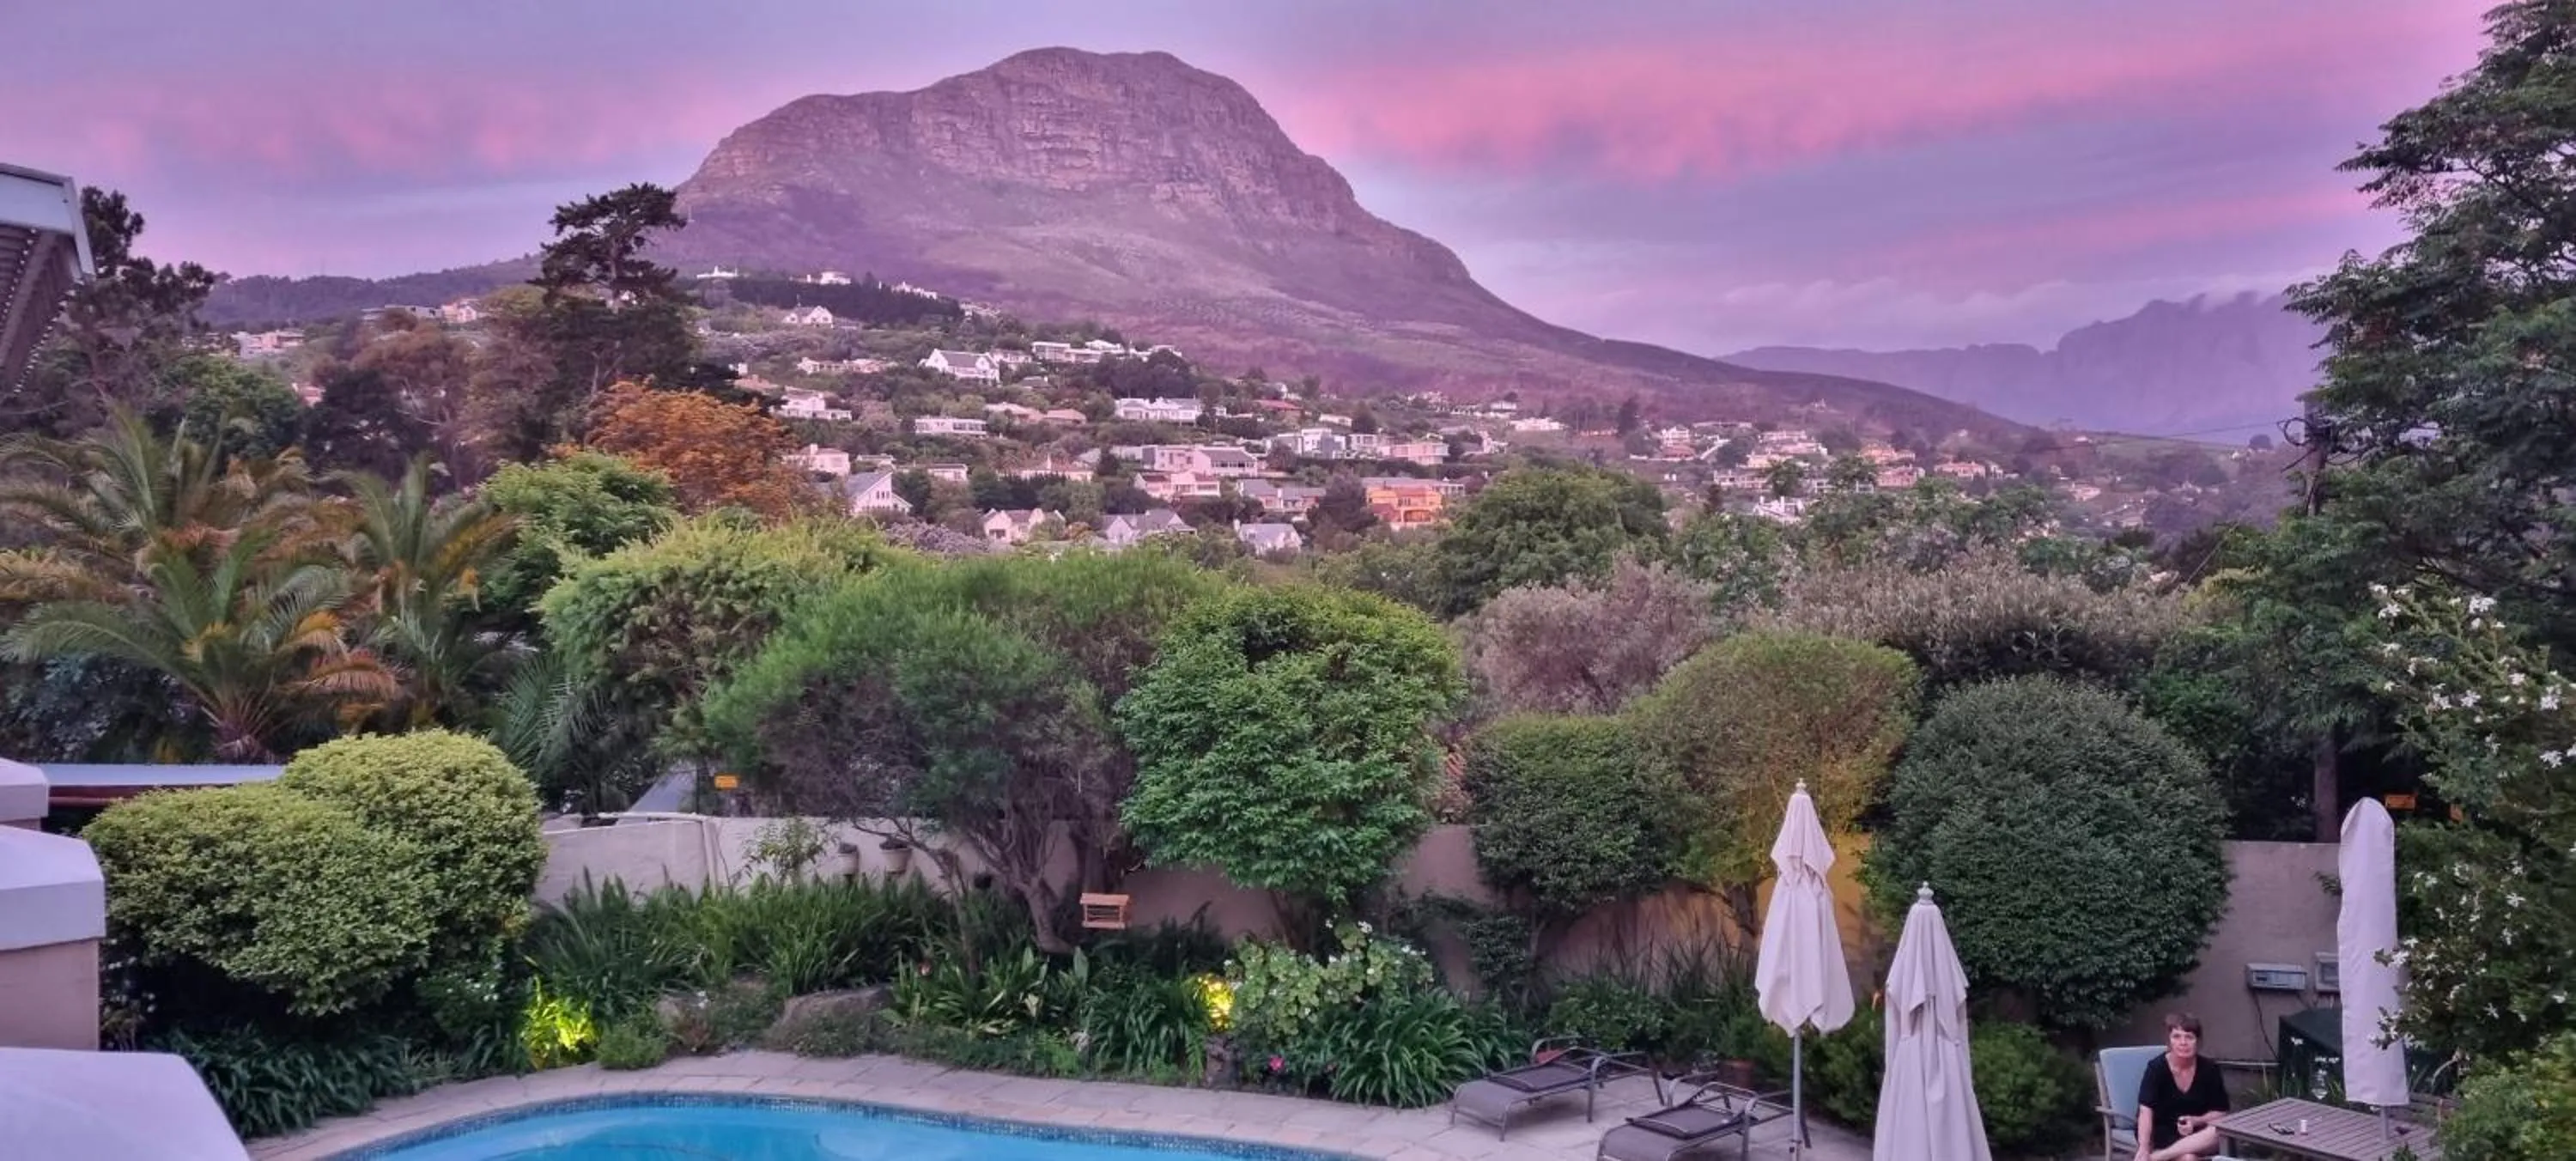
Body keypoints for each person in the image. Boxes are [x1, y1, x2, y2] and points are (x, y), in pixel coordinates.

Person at [2135, 1012, 2230, 1161]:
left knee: (2218, 1131)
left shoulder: (2210, 1069)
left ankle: (2157, 1158)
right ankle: (2159, 1154)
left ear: (2197, 1041)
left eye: (2189, 1037)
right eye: (2177, 1036)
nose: (2183, 1042)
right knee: (2188, 1158)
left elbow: (2221, 1112)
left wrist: (2196, 1120)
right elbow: (2145, 1110)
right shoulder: (2156, 1068)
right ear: (2169, 1041)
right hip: (2162, 1130)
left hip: (2198, 1133)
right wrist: (2144, 1147)